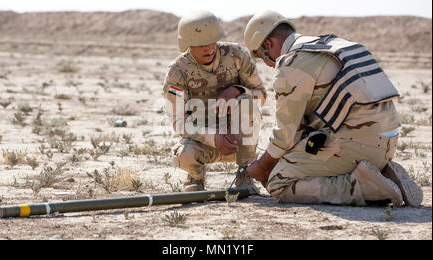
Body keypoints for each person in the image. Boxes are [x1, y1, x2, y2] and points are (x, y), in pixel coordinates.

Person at [242, 10, 423, 207]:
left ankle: (365, 187)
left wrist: (262, 166)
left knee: (279, 182)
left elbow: (285, 135)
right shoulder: (333, 44)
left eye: (261, 57)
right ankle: (379, 171)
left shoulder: (292, 63)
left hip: (357, 145)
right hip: (389, 143)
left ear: (267, 44)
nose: (267, 64)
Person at [163, 10, 267, 192]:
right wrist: (213, 137)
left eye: (213, 42)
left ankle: (245, 174)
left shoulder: (237, 55)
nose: (210, 49)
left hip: (238, 140)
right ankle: (195, 178)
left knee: (247, 103)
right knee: (182, 155)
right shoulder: (177, 72)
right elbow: (178, 123)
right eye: (202, 45)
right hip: (204, 142)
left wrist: (237, 90)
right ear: (187, 44)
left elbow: (261, 96)